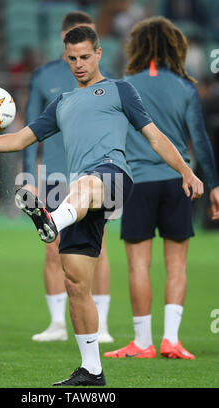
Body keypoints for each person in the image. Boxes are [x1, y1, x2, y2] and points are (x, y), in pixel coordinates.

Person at [0, 26, 203, 386]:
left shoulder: (120, 90)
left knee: (83, 184)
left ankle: (50, 219)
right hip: (80, 200)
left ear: (98, 54)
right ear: (65, 57)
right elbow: (20, 139)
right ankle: (91, 370)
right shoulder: (62, 102)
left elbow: (154, 135)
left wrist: (185, 171)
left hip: (113, 177)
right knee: (75, 282)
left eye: (86, 56)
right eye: (72, 58)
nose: (79, 63)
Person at [104, 16, 219, 361]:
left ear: (136, 47)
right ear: (175, 47)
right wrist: (214, 185)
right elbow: (199, 140)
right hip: (178, 182)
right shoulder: (186, 87)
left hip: (137, 183)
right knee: (177, 266)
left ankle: (142, 343)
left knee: (139, 266)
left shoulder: (124, 85)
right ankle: (171, 340)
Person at [23, 11, 114, 343]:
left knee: (99, 248)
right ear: (64, 42)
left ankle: (101, 324)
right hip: (54, 174)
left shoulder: (109, 83)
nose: (80, 54)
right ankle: (57, 324)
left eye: (87, 41)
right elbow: (29, 130)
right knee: (52, 247)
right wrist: (26, 175)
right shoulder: (43, 76)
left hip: (99, 175)